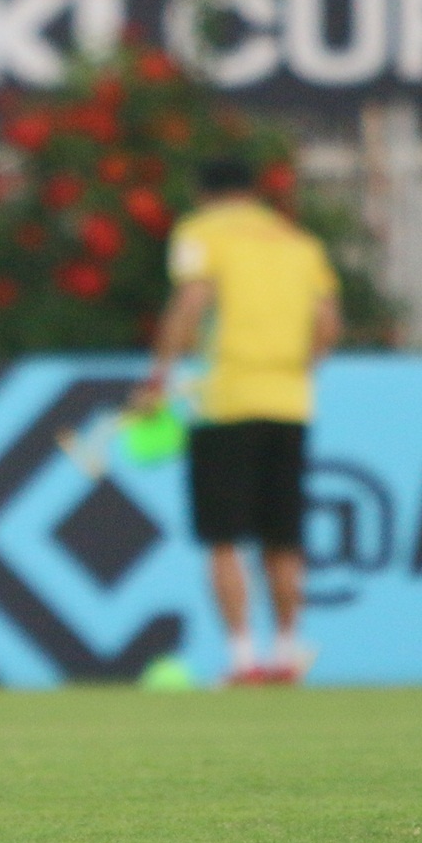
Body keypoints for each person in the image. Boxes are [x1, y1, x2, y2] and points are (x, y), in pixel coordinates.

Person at [131, 157, 341, 686]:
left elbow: (193, 299)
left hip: (224, 397)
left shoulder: (203, 232)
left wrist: (159, 375)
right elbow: (327, 321)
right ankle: (288, 654)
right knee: (283, 538)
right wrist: (300, 368)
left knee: (224, 537)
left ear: (204, 194)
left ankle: (244, 659)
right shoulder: (299, 242)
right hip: (290, 400)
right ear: (252, 193)